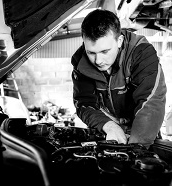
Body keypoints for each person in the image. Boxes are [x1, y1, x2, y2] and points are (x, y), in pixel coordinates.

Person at [71, 9, 167, 148]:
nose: (98, 61)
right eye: (91, 52)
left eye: (105, 51)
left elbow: (151, 102)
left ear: (120, 40)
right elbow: (84, 103)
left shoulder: (141, 53)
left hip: (144, 130)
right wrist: (109, 126)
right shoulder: (80, 62)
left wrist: (136, 149)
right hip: (109, 132)